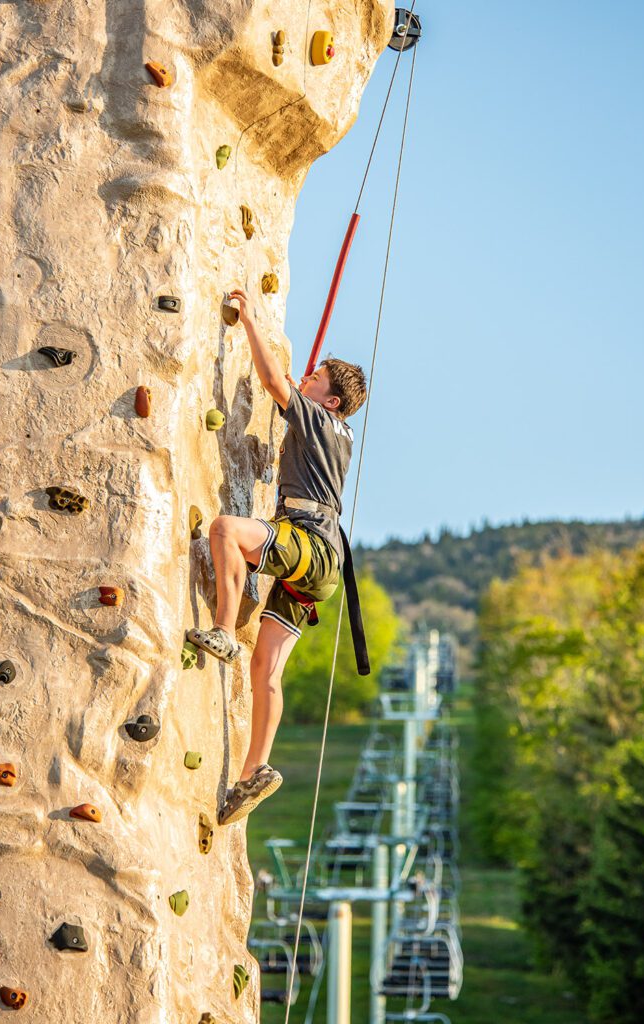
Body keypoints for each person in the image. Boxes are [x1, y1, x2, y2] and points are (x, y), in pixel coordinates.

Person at [186, 287, 368, 825]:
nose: (304, 379)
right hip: (322, 565)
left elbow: (272, 382)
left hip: (309, 542)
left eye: (315, 380)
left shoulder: (319, 419)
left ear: (329, 400)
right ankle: (252, 773)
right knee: (265, 668)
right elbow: (287, 393)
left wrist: (250, 321)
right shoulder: (334, 432)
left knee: (226, 531)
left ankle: (221, 629)